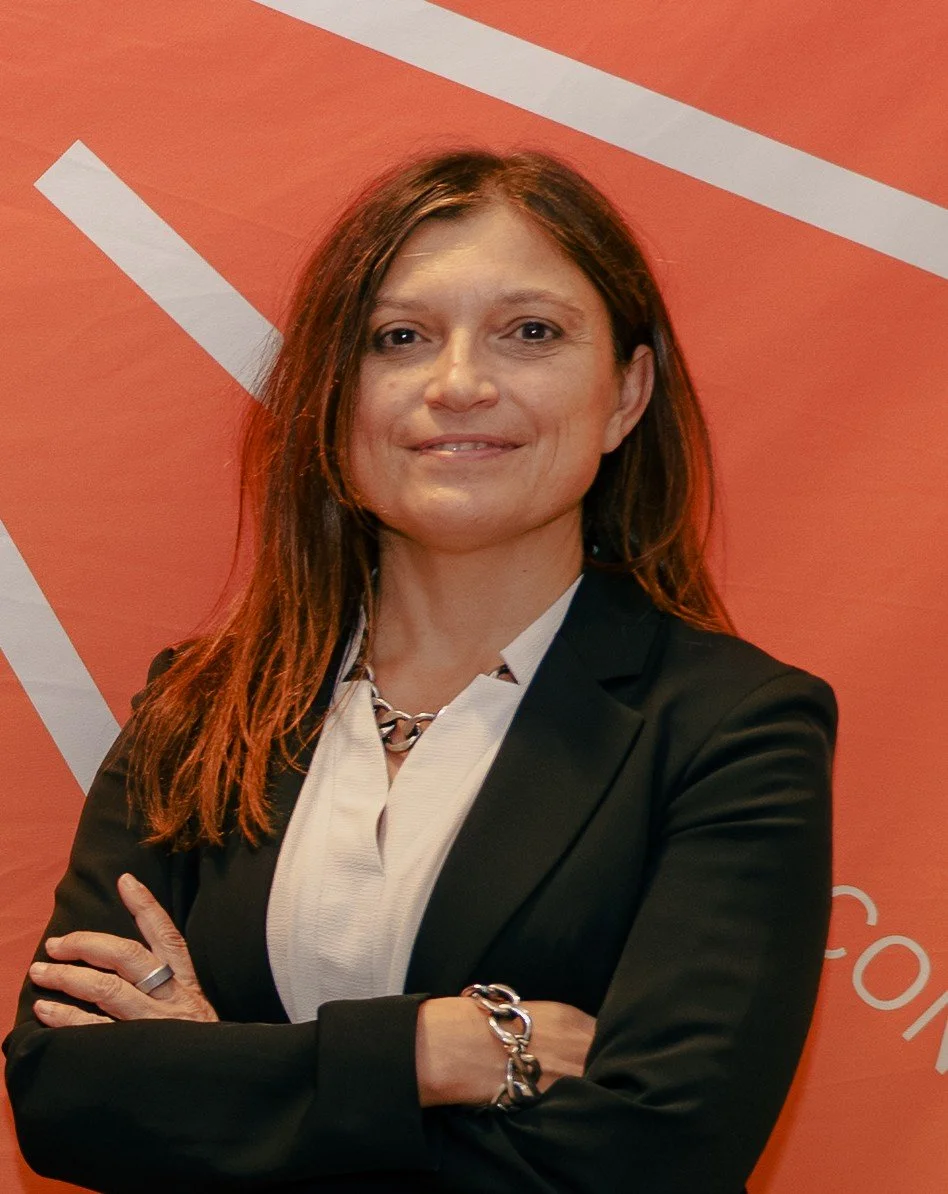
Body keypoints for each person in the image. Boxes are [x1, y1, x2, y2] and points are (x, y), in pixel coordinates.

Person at [3, 148, 836, 1194]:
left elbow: (652, 1159)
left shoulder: (732, 730)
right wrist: (430, 1054)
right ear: (333, 398)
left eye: (530, 332)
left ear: (627, 392)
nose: (459, 384)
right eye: (399, 338)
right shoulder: (198, 709)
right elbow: (63, 1095)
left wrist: (219, 1078)